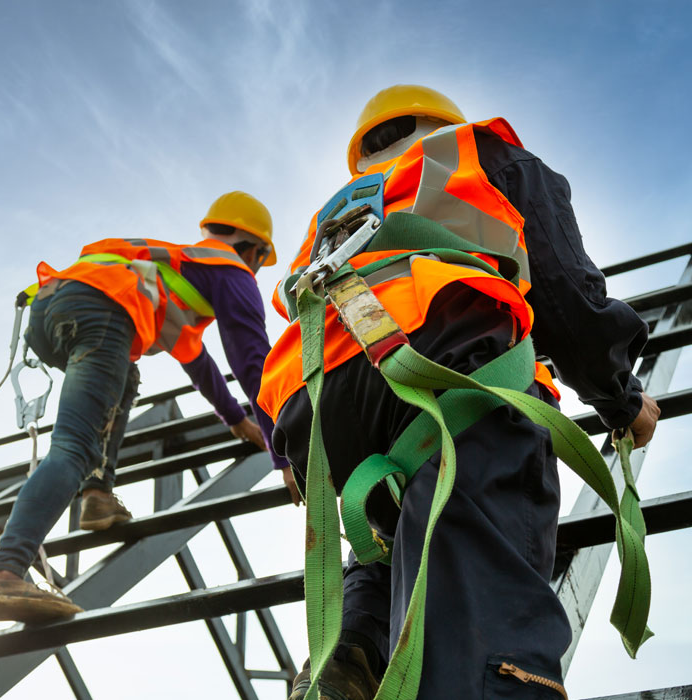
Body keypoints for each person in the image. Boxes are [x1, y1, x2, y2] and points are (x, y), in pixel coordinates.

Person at [256, 86, 661, 699]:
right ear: (442, 120)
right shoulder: (478, 151)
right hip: (448, 355)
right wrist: (622, 398)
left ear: (364, 153)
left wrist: (287, 451)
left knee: (390, 543)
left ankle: (348, 658)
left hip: (313, 404)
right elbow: (562, 290)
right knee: (480, 578)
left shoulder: (336, 213)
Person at [0, 191, 298, 623]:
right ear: (253, 248)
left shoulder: (174, 269)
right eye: (259, 260)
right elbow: (254, 364)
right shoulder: (232, 271)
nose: (255, 270)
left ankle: (97, 494)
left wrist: (236, 419)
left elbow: (198, 363)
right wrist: (285, 454)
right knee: (73, 447)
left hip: (51, 310)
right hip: (101, 312)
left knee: (125, 377)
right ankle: (5, 569)